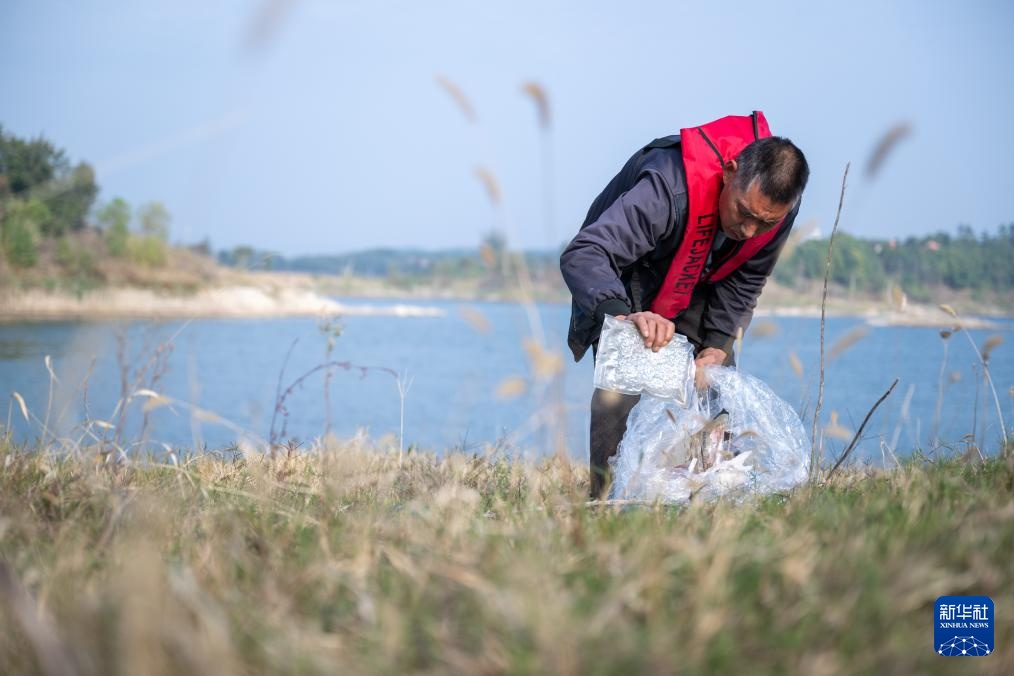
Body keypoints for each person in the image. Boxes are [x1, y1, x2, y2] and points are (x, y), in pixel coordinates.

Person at [559, 111, 809, 498]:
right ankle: (605, 501)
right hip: (627, 271)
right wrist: (623, 315)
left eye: (764, 224)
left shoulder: (773, 210)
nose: (748, 231)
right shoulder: (665, 187)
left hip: (702, 274)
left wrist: (718, 343)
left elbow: (747, 279)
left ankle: (701, 498)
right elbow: (585, 253)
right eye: (743, 213)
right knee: (624, 375)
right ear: (729, 171)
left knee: (716, 382)